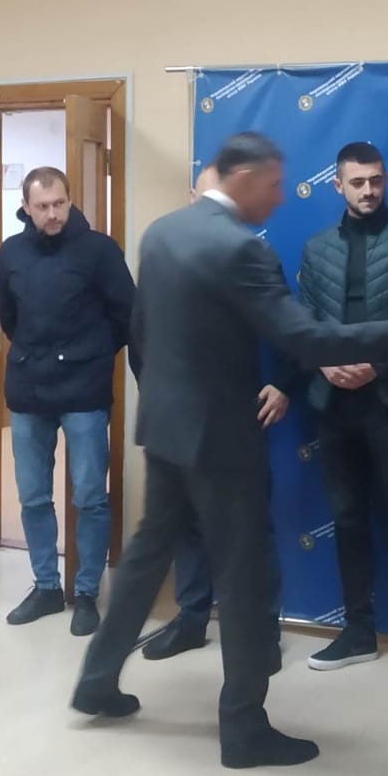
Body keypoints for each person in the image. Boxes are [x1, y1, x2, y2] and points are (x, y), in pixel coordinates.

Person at [71, 132, 388, 770]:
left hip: (167, 428)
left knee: (146, 558)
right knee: (246, 579)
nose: (282, 197)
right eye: (275, 184)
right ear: (246, 179)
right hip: (221, 441)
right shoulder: (240, 249)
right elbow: (305, 339)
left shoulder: (163, 233)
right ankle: (244, 728)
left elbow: (142, 332)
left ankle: (95, 680)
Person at [296, 142, 388, 683]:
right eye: (357, 182)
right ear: (338, 185)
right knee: (348, 519)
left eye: (376, 180)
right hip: (334, 405)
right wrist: (325, 363)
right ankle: (358, 633)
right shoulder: (315, 248)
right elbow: (305, 322)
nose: (368, 190)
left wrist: (378, 366)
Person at [143, 164, 287, 665]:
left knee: (250, 531)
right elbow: (142, 332)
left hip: (237, 417)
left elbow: (290, 327)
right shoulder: (165, 250)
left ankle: (262, 636)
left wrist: (284, 383)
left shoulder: (248, 254)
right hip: (179, 418)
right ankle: (190, 619)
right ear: (192, 197)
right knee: (185, 526)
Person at [0, 165, 135, 636]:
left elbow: (127, 314)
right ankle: (46, 588)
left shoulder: (99, 250)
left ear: (70, 201)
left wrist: (92, 353)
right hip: (28, 388)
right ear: (26, 207)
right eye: (42, 206)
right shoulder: (11, 253)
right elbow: (8, 317)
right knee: (33, 496)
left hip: (84, 390)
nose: (52, 214)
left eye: (59, 204)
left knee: (90, 495)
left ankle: (87, 593)